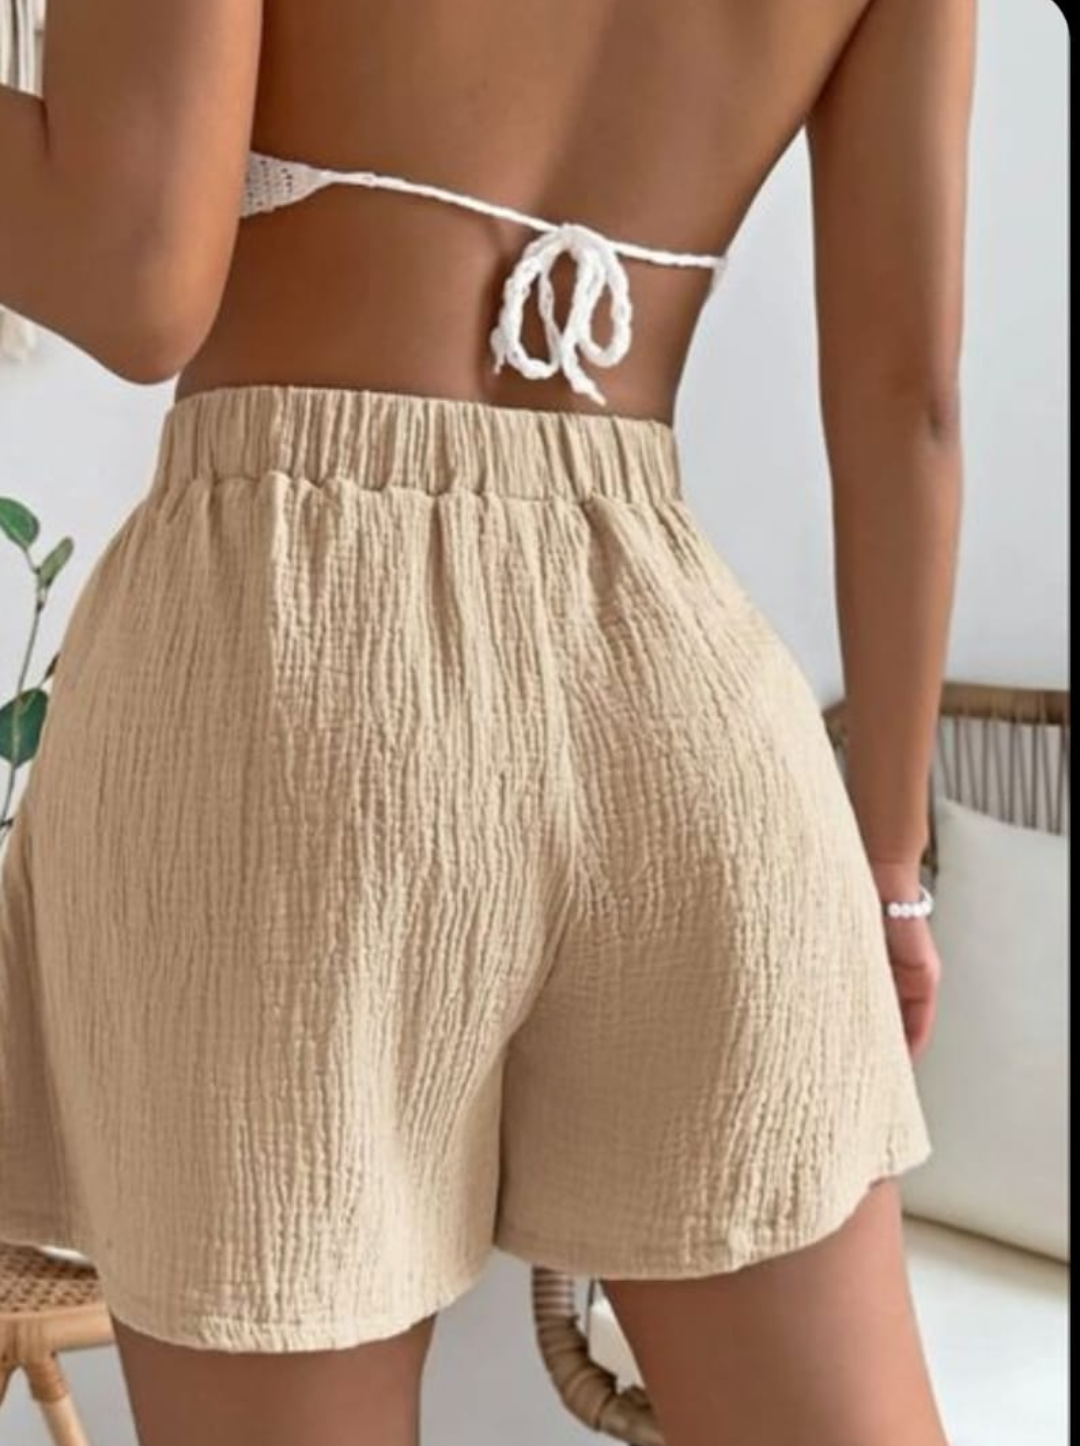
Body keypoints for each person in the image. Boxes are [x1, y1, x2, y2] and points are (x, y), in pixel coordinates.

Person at [0, 1, 974, 1443]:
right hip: (680, 689)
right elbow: (910, 403)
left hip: (287, 671)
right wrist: (891, 869)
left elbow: (136, 270)